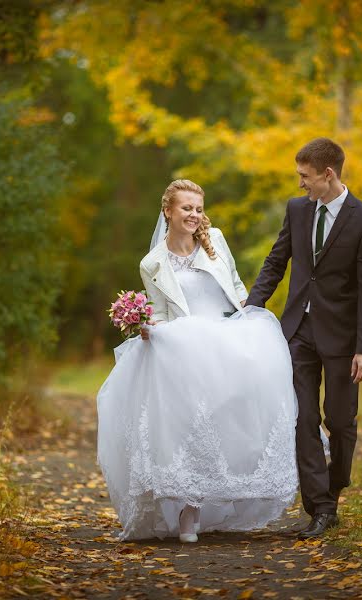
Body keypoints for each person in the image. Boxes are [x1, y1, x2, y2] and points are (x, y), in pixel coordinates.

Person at [96, 179, 298, 543]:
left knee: (229, 417)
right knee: (190, 423)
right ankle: (190, 511)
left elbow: (235, 285)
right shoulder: (152, 262)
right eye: (186, 208)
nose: (194, 215)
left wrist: (248, 318)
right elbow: (158, 311)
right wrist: (144, 325)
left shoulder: (215, 240)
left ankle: (232, 491)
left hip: (224, 335)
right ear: (168, 210)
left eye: (198, 208)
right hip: (183, 344)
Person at [247, 138, 362, 539]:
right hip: (298, 334)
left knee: (339, 422)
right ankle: (320, 508)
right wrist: (251, 309)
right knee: (302, 419)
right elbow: (277, 261)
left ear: (328, 174)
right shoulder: (297, 210)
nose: (300, 184)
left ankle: (336, 485)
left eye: (305, 177)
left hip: (344, 340)